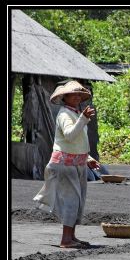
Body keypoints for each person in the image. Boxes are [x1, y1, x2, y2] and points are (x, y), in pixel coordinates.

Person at [33, 80, 100, 248]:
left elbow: (77, 141)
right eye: (73, 94)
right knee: (71, 200)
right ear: (65, 97)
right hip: (64, 164)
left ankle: (72, 236)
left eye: (79, 94)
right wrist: (84, 119)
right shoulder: (64, 114)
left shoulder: (76, 113)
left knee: (78, 200)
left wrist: (88, 158)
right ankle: (66, 239)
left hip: (76, 163)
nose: (77, 97)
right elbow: (70, 135)